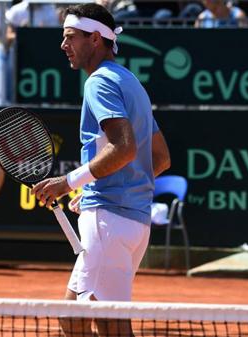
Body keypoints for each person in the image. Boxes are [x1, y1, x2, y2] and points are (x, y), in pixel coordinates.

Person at [31, 3, 170, 336]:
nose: (64, 46)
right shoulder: (131, 82)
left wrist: (70, 182)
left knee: (105, 326)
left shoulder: (99, 82)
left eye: (70, 37)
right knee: (80, 320)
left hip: (109, 221)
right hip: (133, 223)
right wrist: (98, 186)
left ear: (95, 39)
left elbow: (123, 147)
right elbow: (161, 157)